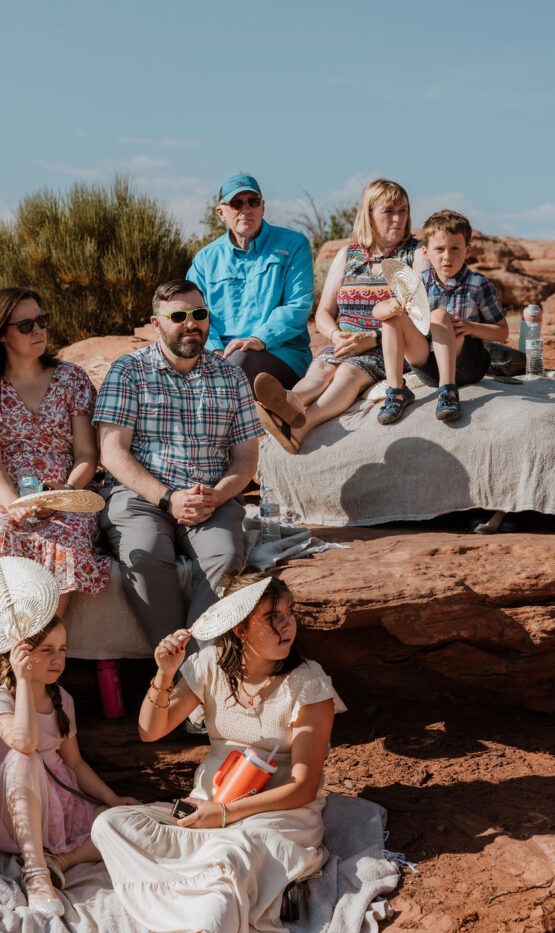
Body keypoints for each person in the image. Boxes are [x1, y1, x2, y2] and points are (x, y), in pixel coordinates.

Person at [92, 573, 346, 933]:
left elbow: (305, 785)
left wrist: (225, 814)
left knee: (232, 854)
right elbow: (151, 730)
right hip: (208, 803)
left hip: (276, 811)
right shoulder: (209, 665)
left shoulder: (308, 683)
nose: (286, 627)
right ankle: (252, 894)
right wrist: (165, 673)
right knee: (110, 825)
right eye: (272, 619)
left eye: (288, 615)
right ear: (239, 629)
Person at [93, 279, 265, 651]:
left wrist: (217, 496)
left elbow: (247, 456)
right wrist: (169, 498)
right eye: (179, 316)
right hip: (141, 495)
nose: (192, 323)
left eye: (199, 314)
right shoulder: (129, 371)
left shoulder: (231, 375)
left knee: (226, 556)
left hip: (209, 497)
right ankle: (187, 674)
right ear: (156, 324)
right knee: (147, 557)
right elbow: (112, 452)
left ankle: (186, 673)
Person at [0, 614, 138, 914]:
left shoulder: (62, 699)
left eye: (63, 649)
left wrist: (111, 799)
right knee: (24, 756)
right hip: (5, 816)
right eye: (46, 650)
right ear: (19, 654)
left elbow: (75, 764)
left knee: (119, 822)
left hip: (54, 815)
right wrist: (24, 681)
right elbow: (25, 743)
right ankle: (36, 872)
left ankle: (61, 861)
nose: (58, 659)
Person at [0, 287, 110, 613]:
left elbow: (86, 456)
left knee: (66, 547)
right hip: (0, 490)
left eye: (42, 321)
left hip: (64, 488)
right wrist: (13, 505)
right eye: (26, 326)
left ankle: (43, 646)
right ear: (0, 335)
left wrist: (65, 493)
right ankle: (12, 648)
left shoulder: (72, 379)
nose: (38, 331)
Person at [253, 179, 427, 452]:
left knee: (347, 371)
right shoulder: (349, 254)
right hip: (344, 342)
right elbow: (323, 312)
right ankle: (288, 402)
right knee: (321, 368)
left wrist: (371, 339)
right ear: (369, 215)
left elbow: (420, 316)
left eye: (403, 210)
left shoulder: (415, 254)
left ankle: (302, 425)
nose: (398, 218)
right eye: (389, 211)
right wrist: (335, 334)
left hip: (389, 346)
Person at [372, 209, 509, 422]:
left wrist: (471, 327)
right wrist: (390, 306)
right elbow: (377, 312)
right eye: (440, 249)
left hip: (467, 363)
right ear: (426, 252)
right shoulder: (418, 282)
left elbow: (502, 332)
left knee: (439, 316)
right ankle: (397, 390)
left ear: (467, 251)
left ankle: (448, 391)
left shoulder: (478, 284)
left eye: (455, 248)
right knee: (393, 319)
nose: (447, 256)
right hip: (429, 367)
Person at [187, 173, 314, 390]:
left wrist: (259, 339)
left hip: (281, 353)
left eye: (252, 202)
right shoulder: (205, 259)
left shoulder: (294, 245)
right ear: (221, 212)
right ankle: (270, 415)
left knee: (236, 366)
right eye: (236, 204)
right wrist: (215, 350)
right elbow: (194, 312)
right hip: (222, 354)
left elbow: (298, 306)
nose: (246, 209)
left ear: (262, 207)